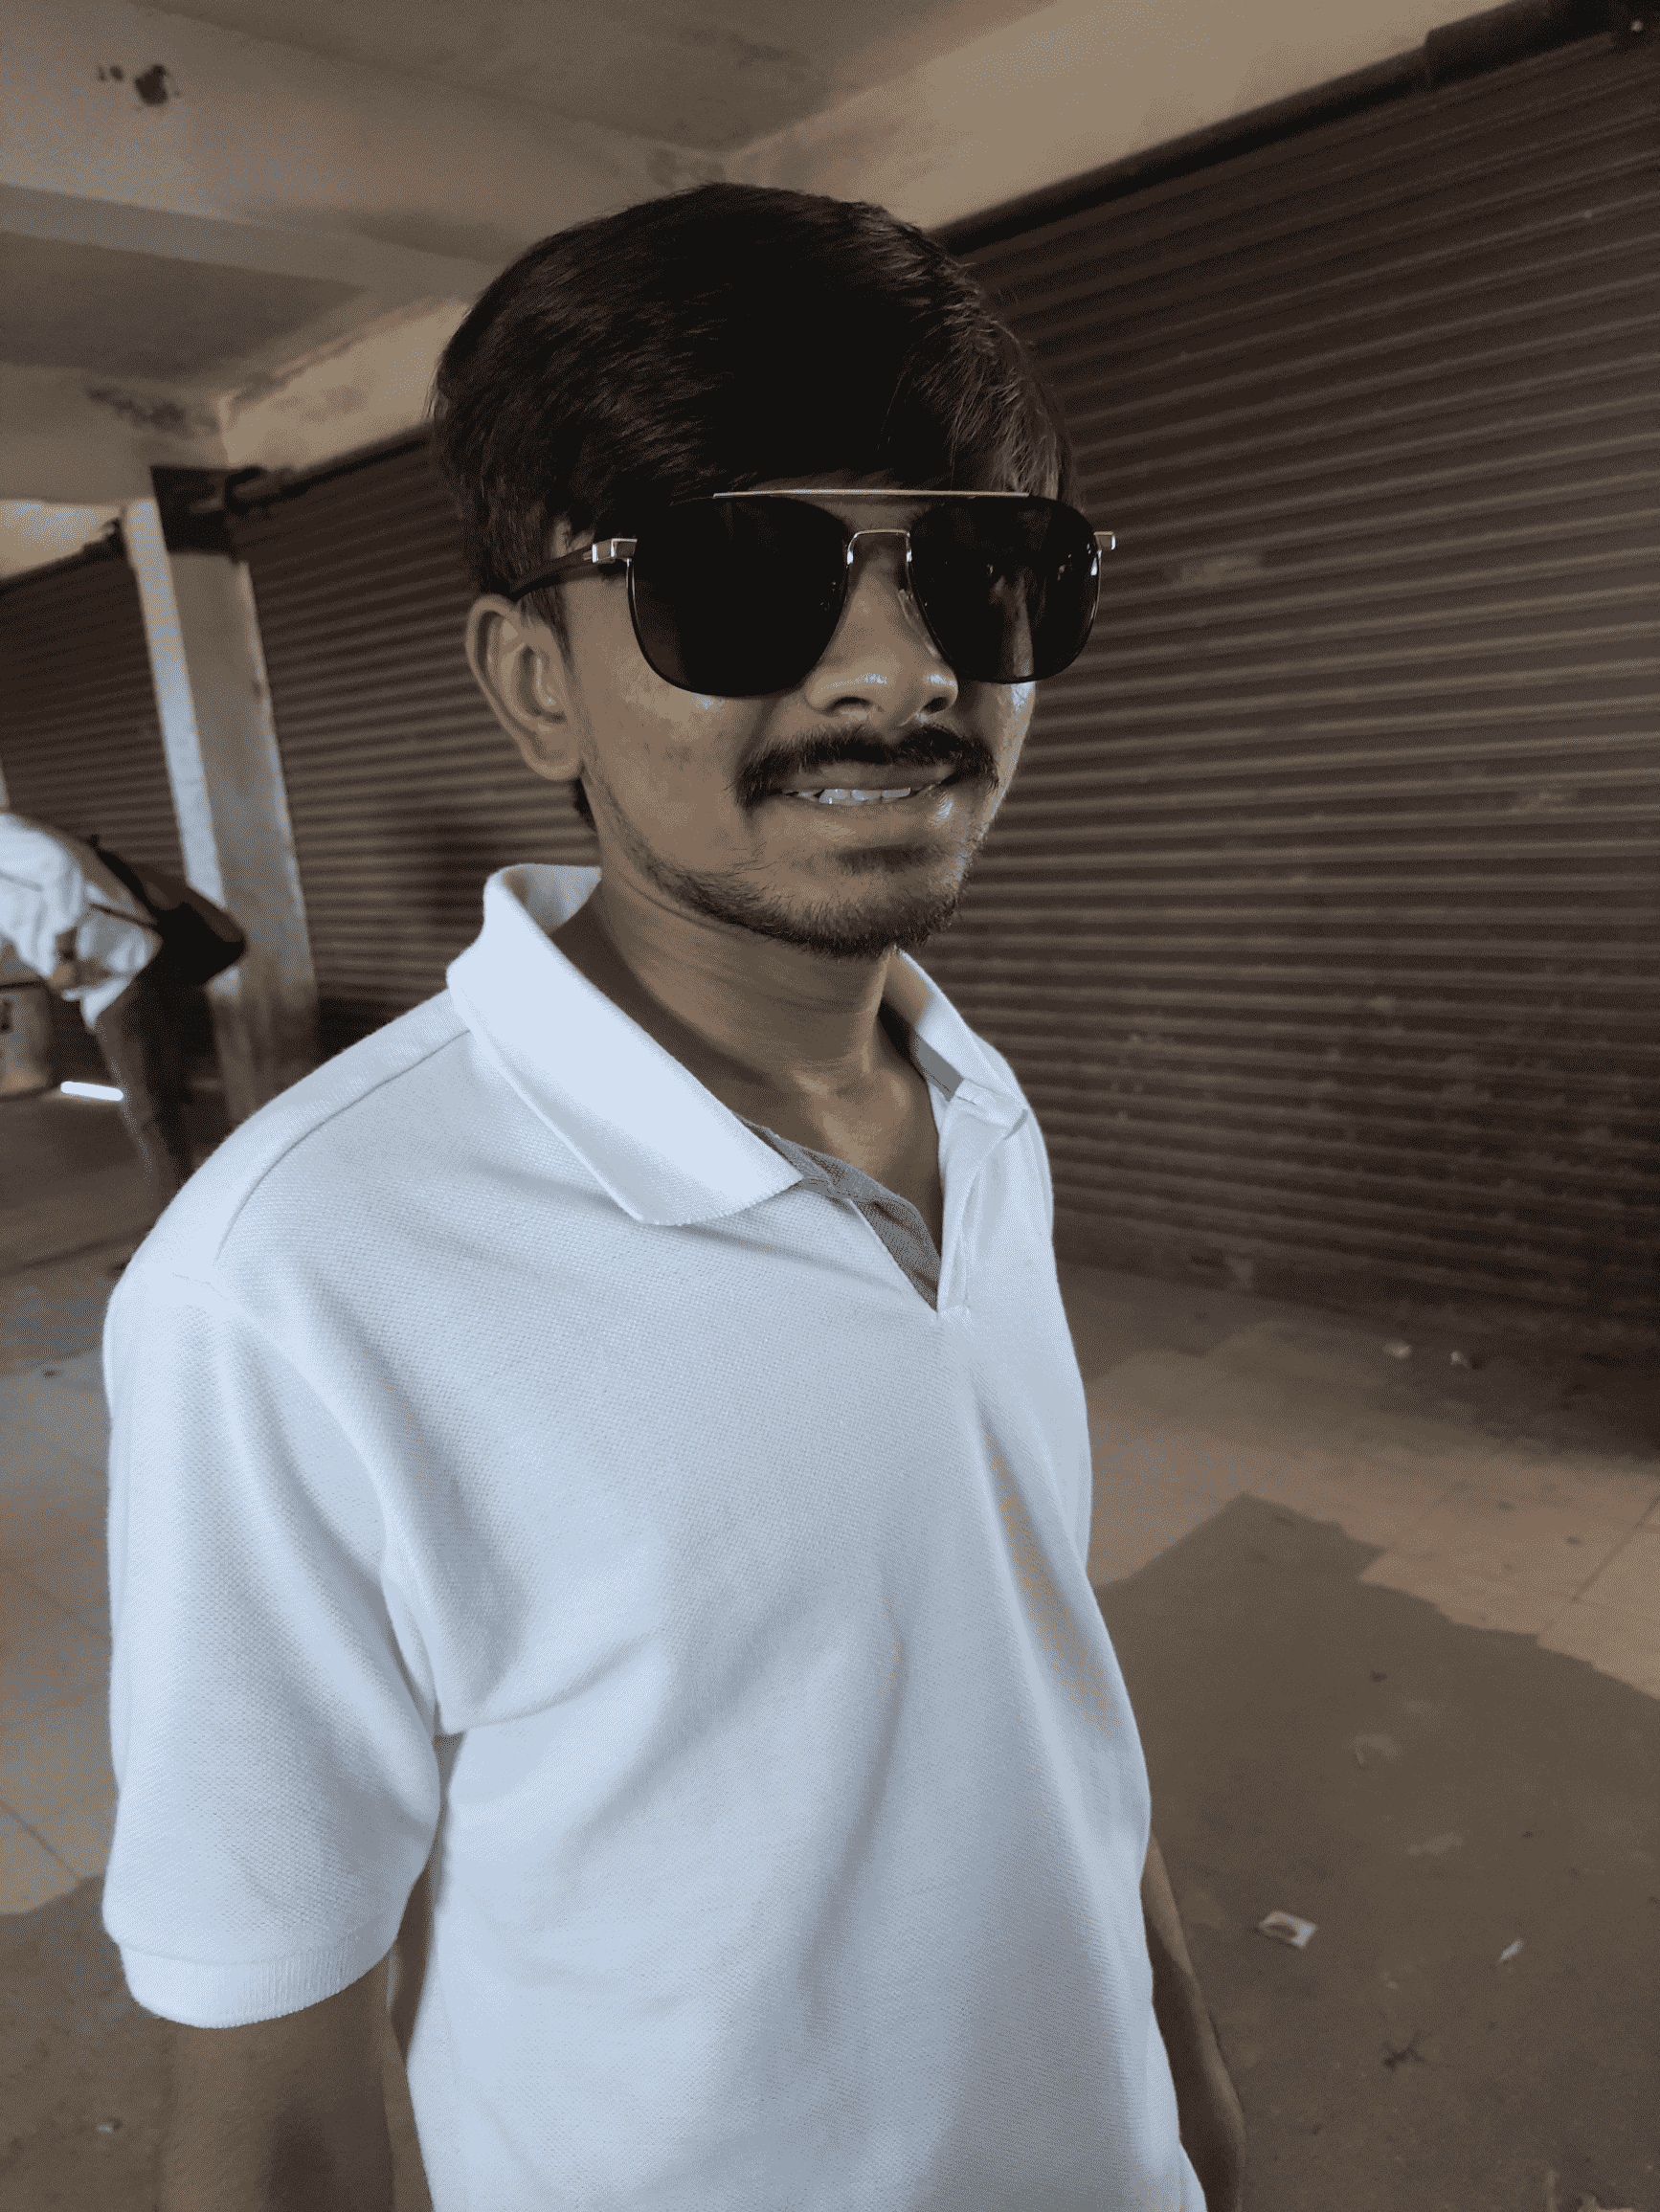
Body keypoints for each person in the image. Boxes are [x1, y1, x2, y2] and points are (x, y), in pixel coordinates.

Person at [103, 182, 1247, 2212]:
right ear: (533, 681)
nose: (895, 669)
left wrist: (1186, 2099)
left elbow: (1035, 1668)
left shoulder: (974, 1107)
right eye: (741, 580)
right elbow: (272, 2105)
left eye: (979, 573)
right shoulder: (293, 1281)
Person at [0, 811, 194, 1226]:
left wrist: (65, 956)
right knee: (155, 1110)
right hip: (109, 980)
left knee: (150, 1113)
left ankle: (180, 1230)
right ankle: (186, 1219)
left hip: (121, 973)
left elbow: (58, 864)